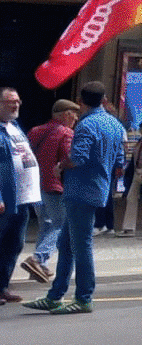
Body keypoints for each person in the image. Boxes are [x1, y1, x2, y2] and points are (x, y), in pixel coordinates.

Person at [25, 82, 125, 314]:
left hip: (80, 189)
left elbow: (77, 157)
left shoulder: (86, 124)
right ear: (104, 100)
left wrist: (61, 166)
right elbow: (119, 161)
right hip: (97, 188)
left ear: (81, 102)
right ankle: (55, 295)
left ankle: (83, 297)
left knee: (81, 246)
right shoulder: (115, 124)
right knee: (67, 244)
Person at [23, 100, 77, 281]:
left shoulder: (35, 131)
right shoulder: (66, 133)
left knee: (46, 225)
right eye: (74, 114)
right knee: (61, 225)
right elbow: (69, 159)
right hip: (54, 186)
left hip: (34, 186)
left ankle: (40, 267)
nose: (76, 118)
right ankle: (38, 258)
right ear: (66, 114)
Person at [0, 87, 38, 303]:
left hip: (22, 199)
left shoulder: (14, 127)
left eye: (17, 101)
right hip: (5, 199)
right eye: (9, 102)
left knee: (14, 244)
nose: (15, 106)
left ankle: (2, 287)